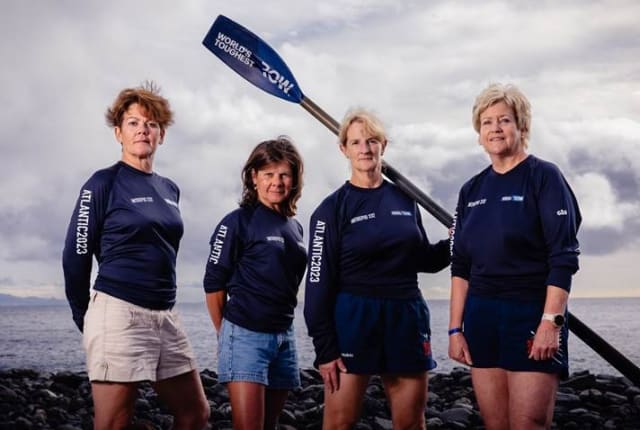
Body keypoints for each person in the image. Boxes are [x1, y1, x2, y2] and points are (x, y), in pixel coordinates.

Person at [62, 82, 210, 430]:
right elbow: (75, 253)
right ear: (118, 133)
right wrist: (84, 316)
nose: (143, 129)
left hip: (166, 317)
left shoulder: (169, 188)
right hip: (118, 312)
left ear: (161, 134)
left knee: (196, 414)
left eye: (151, 123)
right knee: (115, 422)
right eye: (133, 122)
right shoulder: (102, 183)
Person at [304, 108, 450, 429]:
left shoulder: (405, 199)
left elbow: (422, 259)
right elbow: (317, 285)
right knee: (340, 422)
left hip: (406, 314)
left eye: (372, 141)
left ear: (384, 145)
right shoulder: (331, 209)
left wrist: (454, 243)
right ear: (343, 149)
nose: (365, 149)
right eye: (356, 142)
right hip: (355, 317)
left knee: (411, 422)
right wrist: (325, 349)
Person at [448, 83, 581, 430]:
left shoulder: (545, 177)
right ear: (479, 134)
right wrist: (454, 329)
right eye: (487, 122)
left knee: (529, 424)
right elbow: (461, 266)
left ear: (521, 126)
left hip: (529, 315)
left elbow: (563, 257)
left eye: (504, 120)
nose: (495, 128)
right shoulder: (471, 190)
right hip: (481, 318)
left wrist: (550, 323)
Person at [203, 137, 307, 430]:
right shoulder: (236, 222)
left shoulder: (295, 226)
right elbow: (213, 285)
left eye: (284, 174)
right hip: (245, 334)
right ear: (254, 177)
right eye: (268, 174)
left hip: (284, 335)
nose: (277, 182)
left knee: (270, 424)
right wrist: (227, 335)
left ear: (294, 179)